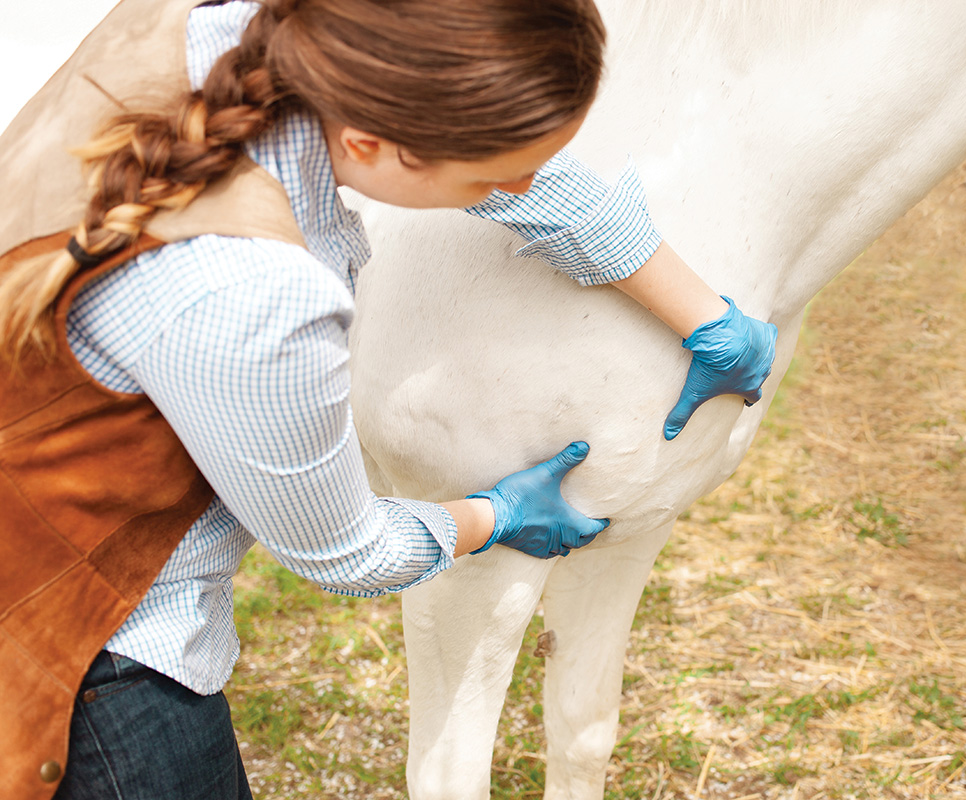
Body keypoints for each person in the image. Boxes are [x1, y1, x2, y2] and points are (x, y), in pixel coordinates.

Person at [0, 0, 776, 797]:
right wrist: (494, 516)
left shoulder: (258, 32)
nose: (514, 189)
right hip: (87, 658)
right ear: (372, 143)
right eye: (488, 178)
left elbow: (528, 181)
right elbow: (344, 553)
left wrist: (704, 315)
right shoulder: (252, 297)